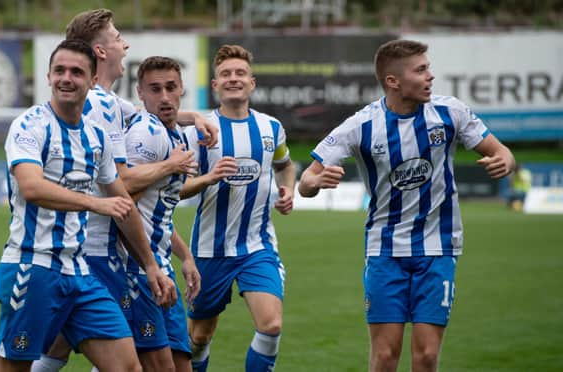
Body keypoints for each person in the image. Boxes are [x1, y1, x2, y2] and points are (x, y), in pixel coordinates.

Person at [298, 39, 515, 372]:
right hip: (385, 251)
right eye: (421, 70)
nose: (431, 76)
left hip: (438, 249)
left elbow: (502, 152)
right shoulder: (361, 126)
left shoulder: (450, 112)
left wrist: (504, 162)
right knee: (385, 357)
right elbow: (305, 182)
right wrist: (318, 181)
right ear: (393, 81)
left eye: (428, 68)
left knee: (427, 356)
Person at [31, 9, 214, 371]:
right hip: (100, 251)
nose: (124, 43)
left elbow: (152, 112)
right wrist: (171, 165)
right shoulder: (97, 105)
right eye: (117, 38)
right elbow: (121, 186)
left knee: (61, 349)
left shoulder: (111, 104)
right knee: (128, 361)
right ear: (100, 51)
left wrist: (194, 118)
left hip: (93, 248)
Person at [0, 39, 174, 372]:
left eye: (77, 72)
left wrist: (150, 265)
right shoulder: (29, 126)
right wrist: (94, 203)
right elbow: (31, 187)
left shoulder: (96, 137)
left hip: (80, 273)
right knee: (13, 367)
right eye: (59, 70)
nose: (66, 78)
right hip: (33, 267)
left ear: (92, 80)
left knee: (128, 367)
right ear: (48, 76)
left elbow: (122, 204)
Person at [181, 44, 296, 372]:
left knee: (271, 324)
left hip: (257, 246)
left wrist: (288, 189)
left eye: (240, 73)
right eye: (226, 74)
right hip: (209, 249)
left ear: (252, 82)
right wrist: (208, 178)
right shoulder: (197, 132)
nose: (234, 79)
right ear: (215, 85)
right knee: (199, 336)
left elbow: (284, 165)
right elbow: (176, 190)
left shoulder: (271, 129)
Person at [122, 56, 202, 372]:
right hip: (140, 270)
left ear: (182, 88)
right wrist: (149, 265)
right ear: (140, 93)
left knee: (181, 363)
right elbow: (125, 201)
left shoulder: (176, 135)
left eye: (171, 87)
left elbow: (158, 210)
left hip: (161, 266)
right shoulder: (147, 132)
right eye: (155, 89)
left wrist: (186, 257)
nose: (165, 96)